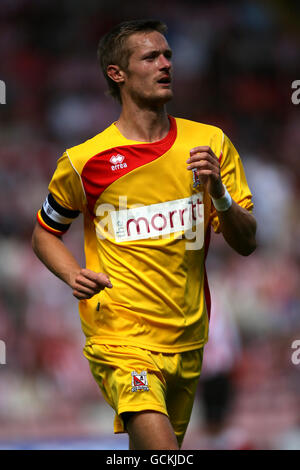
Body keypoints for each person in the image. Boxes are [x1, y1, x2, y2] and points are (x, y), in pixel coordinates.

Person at [31, 19, 257, 450]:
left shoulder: (210, 144)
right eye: (151, 57)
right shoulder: (84, 162)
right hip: (120, 336)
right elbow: (44, 234)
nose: (165, 64)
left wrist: (221, 195)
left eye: (168, 55)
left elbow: (247, 243)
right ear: (117, 73)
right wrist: (71, 274)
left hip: (188, 339)